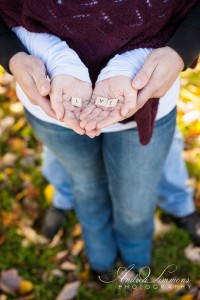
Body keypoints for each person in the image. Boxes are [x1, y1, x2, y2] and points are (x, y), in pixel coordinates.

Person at [0, 0, 199, 280]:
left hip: (146, 99)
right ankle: (100, 258)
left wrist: (181, 50)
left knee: (136, 202)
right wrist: (12, 54)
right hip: (55, 105)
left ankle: (135, 258)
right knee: (86, 185)